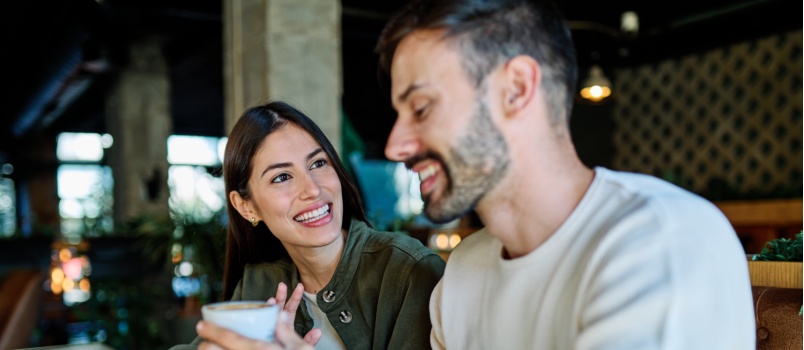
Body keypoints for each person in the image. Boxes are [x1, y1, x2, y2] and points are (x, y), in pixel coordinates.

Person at [375, 0, 755, 349]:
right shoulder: (462, 274)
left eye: (421, 108)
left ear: (516, 89)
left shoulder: (661, 241)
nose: (394, 147)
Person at [170, 101, 445, 350]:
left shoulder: (408, 272)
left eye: (318, 163)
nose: (312, 189)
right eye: (282, 177)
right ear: (247, 206)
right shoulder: (261, 282)